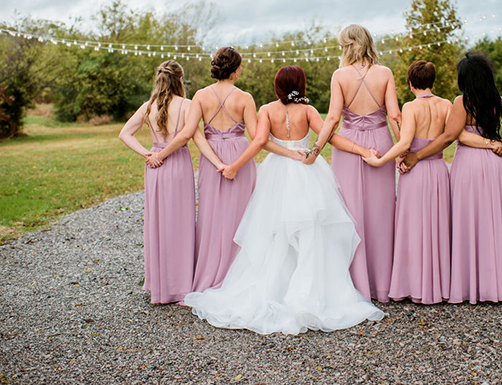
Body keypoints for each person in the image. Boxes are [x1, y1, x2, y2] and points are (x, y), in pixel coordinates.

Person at [184, 66, 384, 335]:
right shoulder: (308, 111)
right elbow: (332, 137)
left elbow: (261, 141)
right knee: (311, 231)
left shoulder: (267, 109)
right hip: (307, 171)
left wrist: (286, 154)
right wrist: (359, 149)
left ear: (277, 86)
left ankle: (276, 288)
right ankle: (308, 291)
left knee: (275, 230)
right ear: (301, 85)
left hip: (277, 171)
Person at [364, 60, 500, 304]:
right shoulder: (447, 104)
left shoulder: (410, 107)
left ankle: (414, 285)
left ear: (410, 83)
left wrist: (382, 159)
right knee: (438, 225)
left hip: (415, 173)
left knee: (412, 227)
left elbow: (405, 143)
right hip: (438, 170)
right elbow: (455, 135)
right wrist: (491, 143)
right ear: (433, 82)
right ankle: (439, 286)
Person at [146, 47, 280, 292]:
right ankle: (239, 273)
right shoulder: (245, 98)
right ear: (237, 70)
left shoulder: (200, 95)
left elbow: (190, 134)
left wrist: (213, 161)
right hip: (239, 156)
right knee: (243, 216)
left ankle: (208, 273)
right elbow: (256, 137)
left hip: (211, 158)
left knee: (210, 215)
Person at [401, 51, 502, 304]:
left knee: (467, 221)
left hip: (469, 164)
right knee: (493, 220)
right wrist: (500, 142)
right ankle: (496, 286)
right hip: (493, 165)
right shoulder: (498, 101)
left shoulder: (462, 101)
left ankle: (468, 285)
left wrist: (417, 156)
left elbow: (451, 136)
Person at [302, 24, 400, 302]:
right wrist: (402, 149)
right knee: (381, 211)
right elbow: (394, 116)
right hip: (380, 144)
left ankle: (354, 283)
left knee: (349, 210)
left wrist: (315, 150)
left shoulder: (340, 75)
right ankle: (382, 285)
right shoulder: (385, 73)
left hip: (349, 146)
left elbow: (332, 119)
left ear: (347, 45)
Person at [118, 60, 202, 304]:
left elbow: (124, 133)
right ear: (180, 79)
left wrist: (149, 154)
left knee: (158, 223)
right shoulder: (187, 105)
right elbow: (187, 135)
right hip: (175, 165)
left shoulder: (148, 106)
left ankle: (159, 284)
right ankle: (179, 285)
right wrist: (160, 155)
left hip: (154, 168)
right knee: (180, 223)